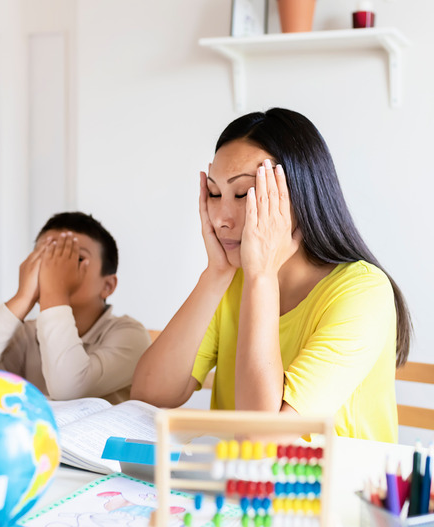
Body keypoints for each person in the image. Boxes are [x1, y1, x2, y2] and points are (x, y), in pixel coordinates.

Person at [131, 108, 412, 442]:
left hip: (332, 489)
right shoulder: (234, 279)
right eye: (215, 194)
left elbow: (261, 438)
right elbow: (149, 393)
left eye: (243, 194)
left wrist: (261, 276)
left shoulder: (364, 293)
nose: (221, 217)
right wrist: (216, 273)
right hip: (237, 488)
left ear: (299, 197)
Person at [0, 212, 151, 404]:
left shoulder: (129, 335)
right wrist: (23, 297)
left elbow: (68, 389)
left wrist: (55, 292)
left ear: (107, 286)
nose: (54, 269)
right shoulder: (25, 334)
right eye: (46, 258)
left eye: (75, 258)